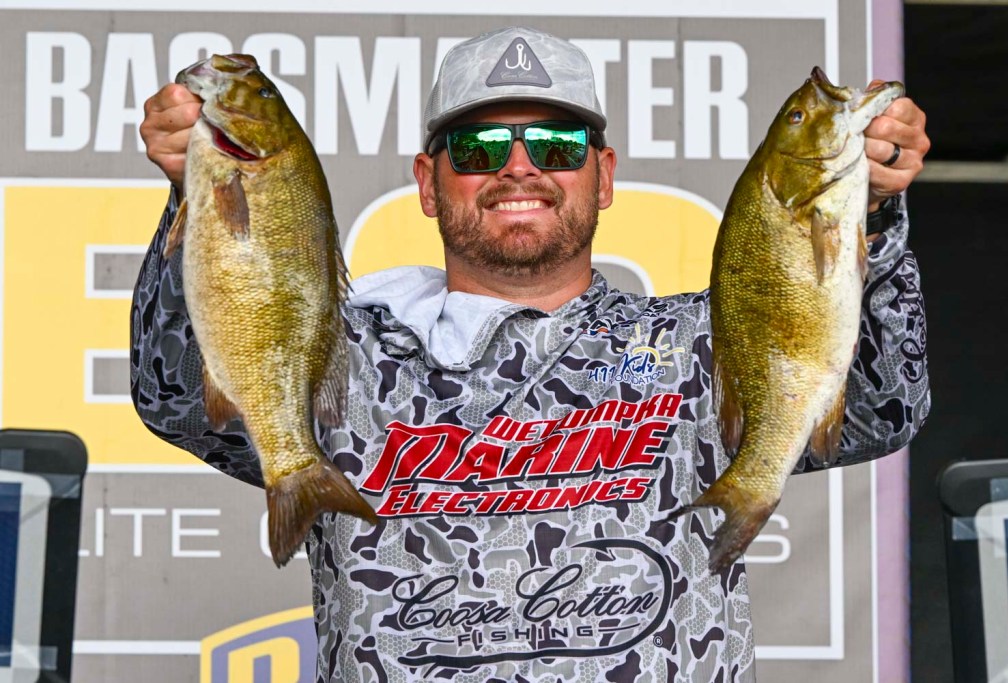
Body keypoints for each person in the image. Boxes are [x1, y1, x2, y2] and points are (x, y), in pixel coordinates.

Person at [132, 26, 930, 683]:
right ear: (428, 182)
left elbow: (884, 406)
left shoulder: (698, 343)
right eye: (479, 147)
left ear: (602, 175)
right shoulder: (344, 352)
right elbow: (175, 397)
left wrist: (872, 212)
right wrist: (197, 192)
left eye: (556, 143)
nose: (520, 167)